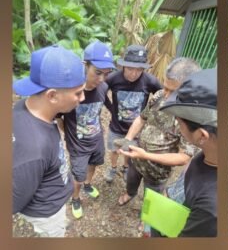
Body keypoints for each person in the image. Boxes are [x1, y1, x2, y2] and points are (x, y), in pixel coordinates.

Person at [13, 45, 86, 237]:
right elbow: (13, 201)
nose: (82, 97)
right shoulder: (34, 149)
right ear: (52, 95)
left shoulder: (25, 106)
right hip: (46, 213)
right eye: (78, 93)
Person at [115, 57, 200, 211]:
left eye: (173, 92)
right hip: (136, 158)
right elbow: (142, 118)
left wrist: (146, 155)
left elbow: (184, 157)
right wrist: (128, 139)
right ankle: (130, 193)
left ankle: (146, 216)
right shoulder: (159, 95)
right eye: (165, 87)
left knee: (151, 197)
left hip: (157, 171)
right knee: (131, 181)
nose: (166, 95)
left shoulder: (190, 117)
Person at [158, 67, 218, 237]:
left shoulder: (211, 208)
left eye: (179, 122)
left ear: (202, 136)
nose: (178, 127)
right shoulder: (205, 156)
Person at [60, 41, 115, 220]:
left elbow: (105, 104)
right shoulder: (71, 91)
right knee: (78, 175)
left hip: (96, 138)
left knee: (94, 164)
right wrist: (69, 134)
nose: (102, 79)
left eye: (106, 74)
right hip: (78, 145)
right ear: (85, 65)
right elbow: (58, 117)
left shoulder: (103, 87)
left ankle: (88, 184)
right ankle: (75, 198)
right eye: (97, 72)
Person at [103, 44, 162, 185]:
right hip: (116, 126)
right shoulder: (113, 78)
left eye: (139, 70)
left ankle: (125, 167)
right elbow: (101, 92)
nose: (134, 74)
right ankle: (113, 168)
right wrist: (111, 108)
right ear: (123, 66)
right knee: (114, 149)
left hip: (136, 128)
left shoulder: (150, 81)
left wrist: (150, 114)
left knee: (130, 150)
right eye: (130, 69)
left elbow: (162, 96)